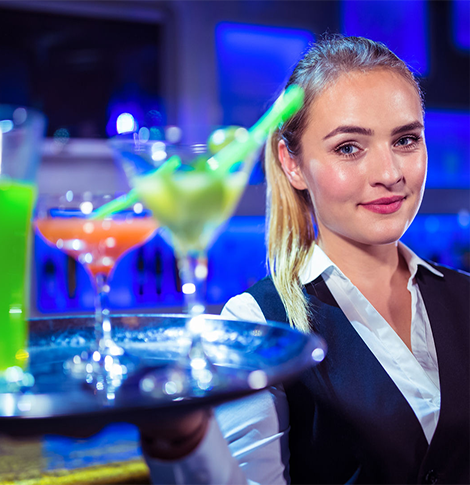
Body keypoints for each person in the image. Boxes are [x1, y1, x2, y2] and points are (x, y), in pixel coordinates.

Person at [138, 35, 470, 484]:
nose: (390, 174)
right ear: (292, 164)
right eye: (349, 147)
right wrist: (184, 440)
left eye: (406, 139)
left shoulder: (465, 296)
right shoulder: (257, 323)